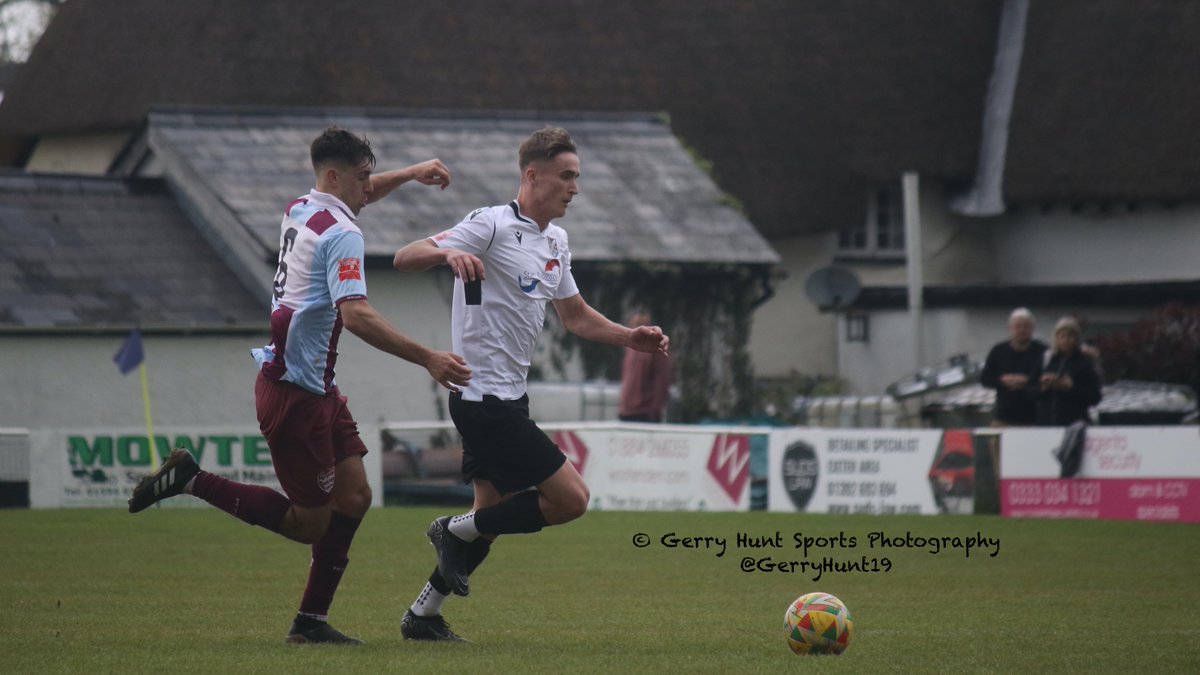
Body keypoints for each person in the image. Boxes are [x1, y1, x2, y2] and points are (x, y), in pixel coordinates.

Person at [127, 127, 472, 645]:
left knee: (354, 496)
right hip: (296, 395)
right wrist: (427, 357)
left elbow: (361, 197)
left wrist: (413, 172)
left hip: (316, 387)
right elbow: (355, 316)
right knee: (309, 524)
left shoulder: (302, 208)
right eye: (362, 177)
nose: (368, 186)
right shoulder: (344, 233)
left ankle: (309, 623)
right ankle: (191, 479)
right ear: (335, 177)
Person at [391, 127, 669, 641]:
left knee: (491, 522)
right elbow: (404, 256)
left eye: (577, 177)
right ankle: (451, 530)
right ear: (532, 175)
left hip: (508, 400)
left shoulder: (555, 241)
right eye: (567, 176)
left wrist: (631, 337)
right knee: (571, 500)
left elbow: (577, 317)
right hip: (481, 400)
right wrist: (446, 254)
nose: (575, 187)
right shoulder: (490, 225)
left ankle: (422, 616)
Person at [979, 308, 1047, 426]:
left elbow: (1048, 378)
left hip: (1033, 417)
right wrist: (1002, 381)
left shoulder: (1043, 351)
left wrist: (1027, 381)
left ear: (1032, 329)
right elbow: (985, 378)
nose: (1021, 330)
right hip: (1003, 417)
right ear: (1010, 329)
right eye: (1018, 326)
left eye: (1025, 327)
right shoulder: (998, 350)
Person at [1038, 316, 1103, 426]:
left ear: (1077, 338)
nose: (1066, 340)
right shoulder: (1047, 360)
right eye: (1062, 336)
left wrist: (1071, 387)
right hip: (1046, 423)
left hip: (1074, 424)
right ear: (1056, 338)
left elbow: (1095, 397)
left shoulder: (1085, 363)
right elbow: (1031, 390)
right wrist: (1043, 387)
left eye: (1070, 336)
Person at [618, 310, 672, 422]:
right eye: (636, 324)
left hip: (646, 413)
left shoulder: (656, 347)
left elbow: (662, 380)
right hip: (627, 411)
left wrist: (654, 409)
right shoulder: (629, 348)